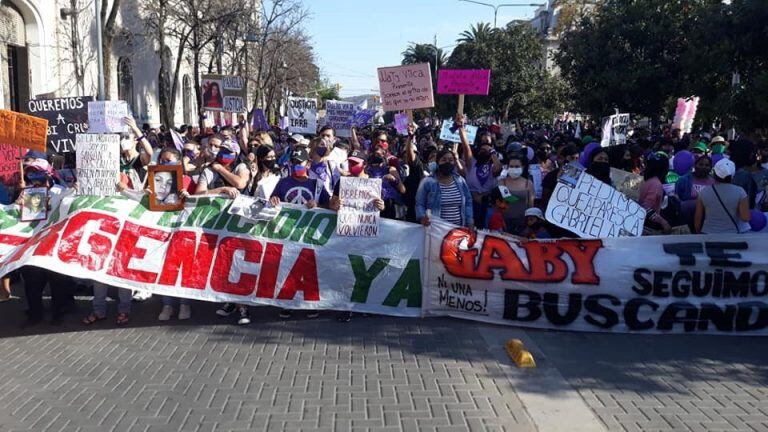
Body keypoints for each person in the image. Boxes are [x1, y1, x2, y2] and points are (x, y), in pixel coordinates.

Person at [415, 148, 474, 229]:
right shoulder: (427, 182)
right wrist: (422, 218)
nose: (447, 162)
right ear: (437, 162)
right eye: (444, 160)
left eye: (450, 160)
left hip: (458, 231)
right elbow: (419, 204)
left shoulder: (460, 181)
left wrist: (470, 220)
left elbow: (468, 201)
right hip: (436, 231)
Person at [460, 124, 502, 229]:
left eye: (488, 143)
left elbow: (498, 170)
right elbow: (466, 146)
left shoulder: (493, 163)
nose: (485, 146)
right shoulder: (472, 162)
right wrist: (460, 128)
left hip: (487, 205)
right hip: (471, 204)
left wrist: (492, 152)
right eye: (482, 143)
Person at [695, 158, 751, 234]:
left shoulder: (704, 191)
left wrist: (698, 233)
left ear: (715, 173)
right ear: (732, 174)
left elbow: (698, 218)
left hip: (708, 234)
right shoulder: (740, 191)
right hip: (731, 235)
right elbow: (745, 218)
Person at [498, 154, 535, 235]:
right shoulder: (501, 182)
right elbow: (502, 201)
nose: (514, 169)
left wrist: (529, 227)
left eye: (517, 166)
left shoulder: (528, 184)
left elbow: (531, 206)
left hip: (522, 225)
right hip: (504, 224)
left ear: (523, 167)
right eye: (511, 166)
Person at [639, 152, 673, 234]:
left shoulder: (646, 180)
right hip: (647, 224)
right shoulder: (656, 184)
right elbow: (645, 208)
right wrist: (663, 222)